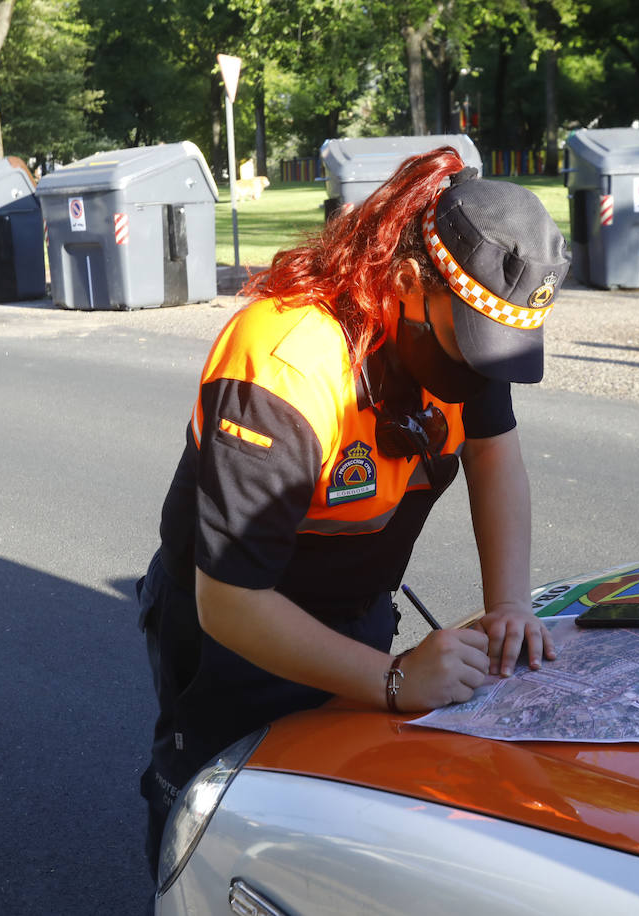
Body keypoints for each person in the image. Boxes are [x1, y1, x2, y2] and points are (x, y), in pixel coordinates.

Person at [136, 146, 571, 876]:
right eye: (469, 348)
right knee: (216, 814)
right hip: (232, 633)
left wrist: (510, 606)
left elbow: (495, 456)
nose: (477, 373)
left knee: (338, 816)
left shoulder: (464, 334)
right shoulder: (283, 361)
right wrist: (395, 680)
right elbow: (232, 603)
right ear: (406, 279)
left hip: (356, 608)